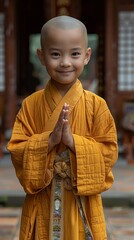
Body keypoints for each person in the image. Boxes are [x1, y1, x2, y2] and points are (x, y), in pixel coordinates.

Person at [7, 16, 118, 240]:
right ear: (41, 56)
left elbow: (109, 152)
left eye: (74, 54)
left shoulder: (97, 106)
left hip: (82, 202)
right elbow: (17, 150)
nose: (65, 62)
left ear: (87, 56)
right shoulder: (31, 105)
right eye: (55, 54)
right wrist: (48, 141)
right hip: (42, 200)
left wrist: (73, 141)